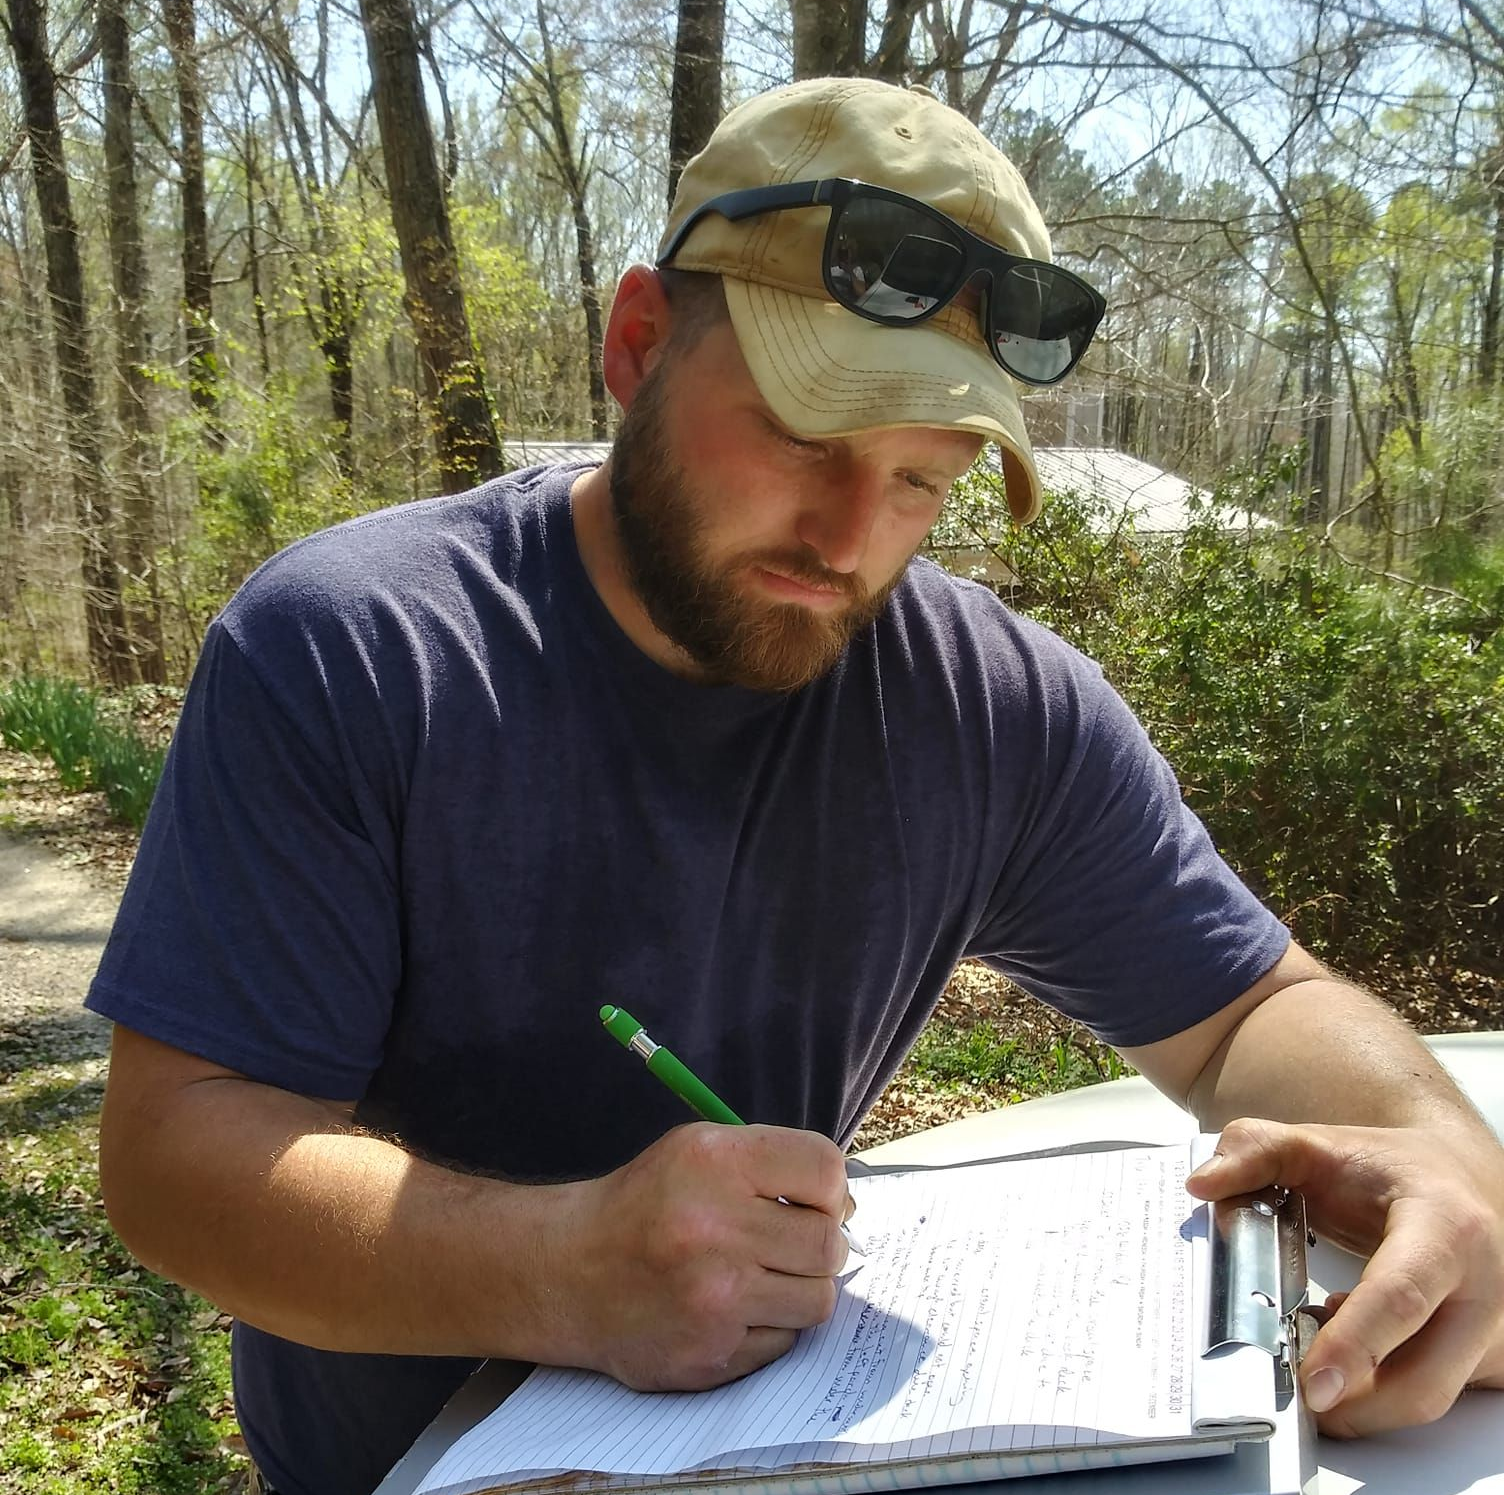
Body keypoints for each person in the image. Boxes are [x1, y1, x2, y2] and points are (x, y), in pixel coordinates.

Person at [89, 77, 1503, 1495]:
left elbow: (1249, 1009)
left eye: (921, 481)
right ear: (638, 340)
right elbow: (176, 1151)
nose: (848, 539)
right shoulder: (356, 650)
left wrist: (1444, 1161)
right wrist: (559, 1267)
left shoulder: (989, 707)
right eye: (803, 437)